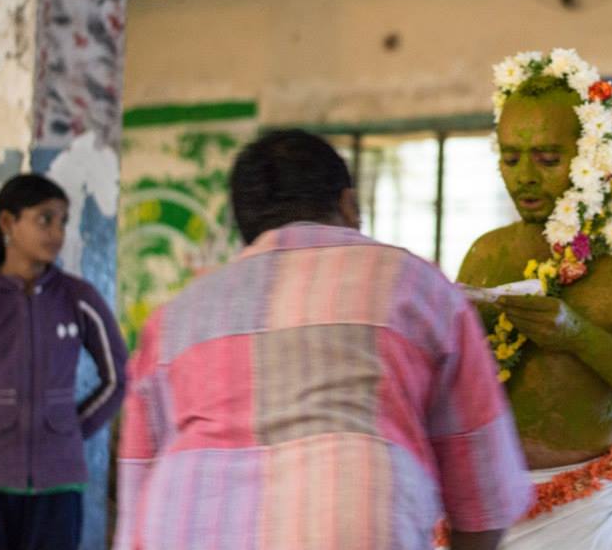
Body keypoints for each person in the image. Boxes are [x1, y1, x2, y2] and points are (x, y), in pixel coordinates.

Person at [113, 129, 532, 550]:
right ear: (349, 204)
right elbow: (482, 484)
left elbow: (136, 484)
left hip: (187, 524)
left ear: (244, 223)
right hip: (350, 519)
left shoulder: (175, 317)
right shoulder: (413, 284)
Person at [456, 50, 612, 549]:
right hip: (482, 506)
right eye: (510, 157)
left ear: (590, 155)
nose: (525, 176)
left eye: (548, 158)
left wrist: (580, 337)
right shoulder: (487, 253)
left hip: (582, 511)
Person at [0, 173, 128, 550]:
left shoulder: (77, 297)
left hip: (57, 483)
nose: (56, 232)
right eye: (45, 219)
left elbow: (118, 376)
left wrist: (71, 428)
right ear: (9, 222)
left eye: (62, 220)